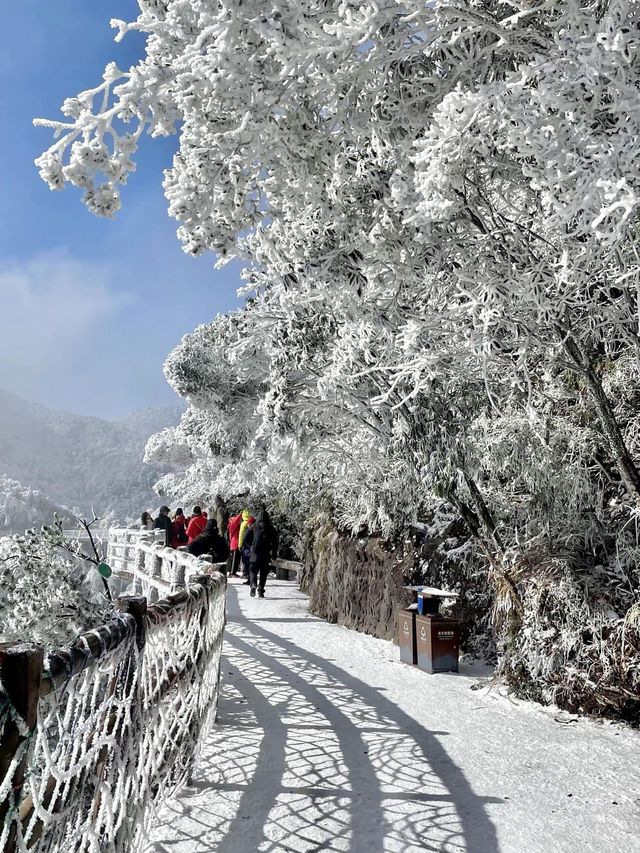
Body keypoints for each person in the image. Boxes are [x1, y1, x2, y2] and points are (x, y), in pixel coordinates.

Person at [249, 508, 278, 598]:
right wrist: (274, 554)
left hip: (255, 553)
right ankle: (261, 590)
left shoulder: (254, 527)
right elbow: (275, 543)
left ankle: (253, 584)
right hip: (266, 553)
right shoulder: (272, 528)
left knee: (253, 570)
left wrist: (251, 546)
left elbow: (246, 538)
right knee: (263, 573)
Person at [226, 510, 244, 576]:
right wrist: (240, 515)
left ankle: (234, 572)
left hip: (237, 543)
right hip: (235, 543)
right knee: (234, 559)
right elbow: (235, 522)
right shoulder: (232, 523)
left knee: (237, 559)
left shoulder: (234, 524)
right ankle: (232, 572)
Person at [240, 517, 255, 583]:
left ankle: (249, 579)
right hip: (252, 549)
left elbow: (245, 539)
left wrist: (244, 546)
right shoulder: (256, 530)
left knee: (247, 563)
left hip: (247, 548)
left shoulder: (249, 530)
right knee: (251, 564)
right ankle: (250, 579)